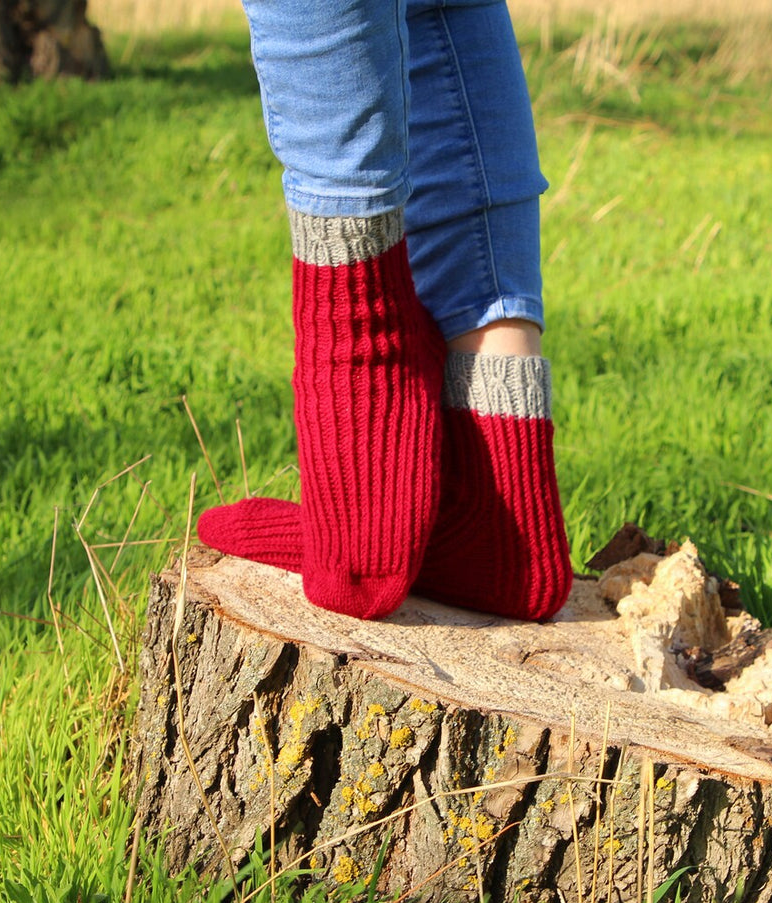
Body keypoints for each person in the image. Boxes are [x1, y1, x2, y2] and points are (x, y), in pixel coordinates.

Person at [196, 0, 572, 622]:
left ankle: (360, 337)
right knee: (434, 10)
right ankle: (501, 509)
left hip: (366, 369)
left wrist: (360, 343)